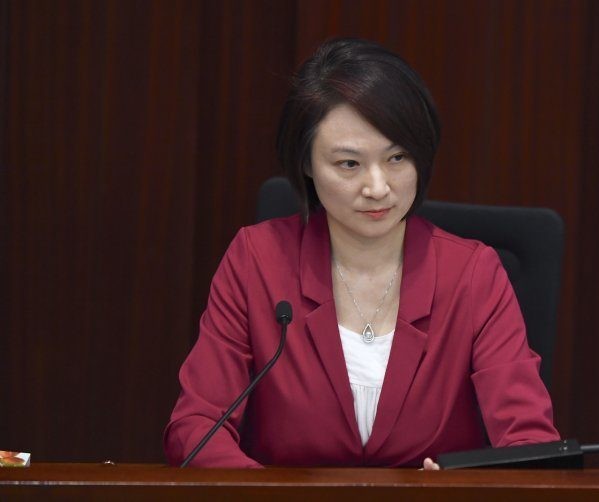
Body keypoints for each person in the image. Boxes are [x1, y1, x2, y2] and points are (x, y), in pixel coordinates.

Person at [164, 38, 558, 469]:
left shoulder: (473, 274)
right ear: (306, 163)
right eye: (349, 164)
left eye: (397, 157)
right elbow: (197, 427)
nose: (377, 187)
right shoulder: (257, 261)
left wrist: (466, 489)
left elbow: (529, 443)